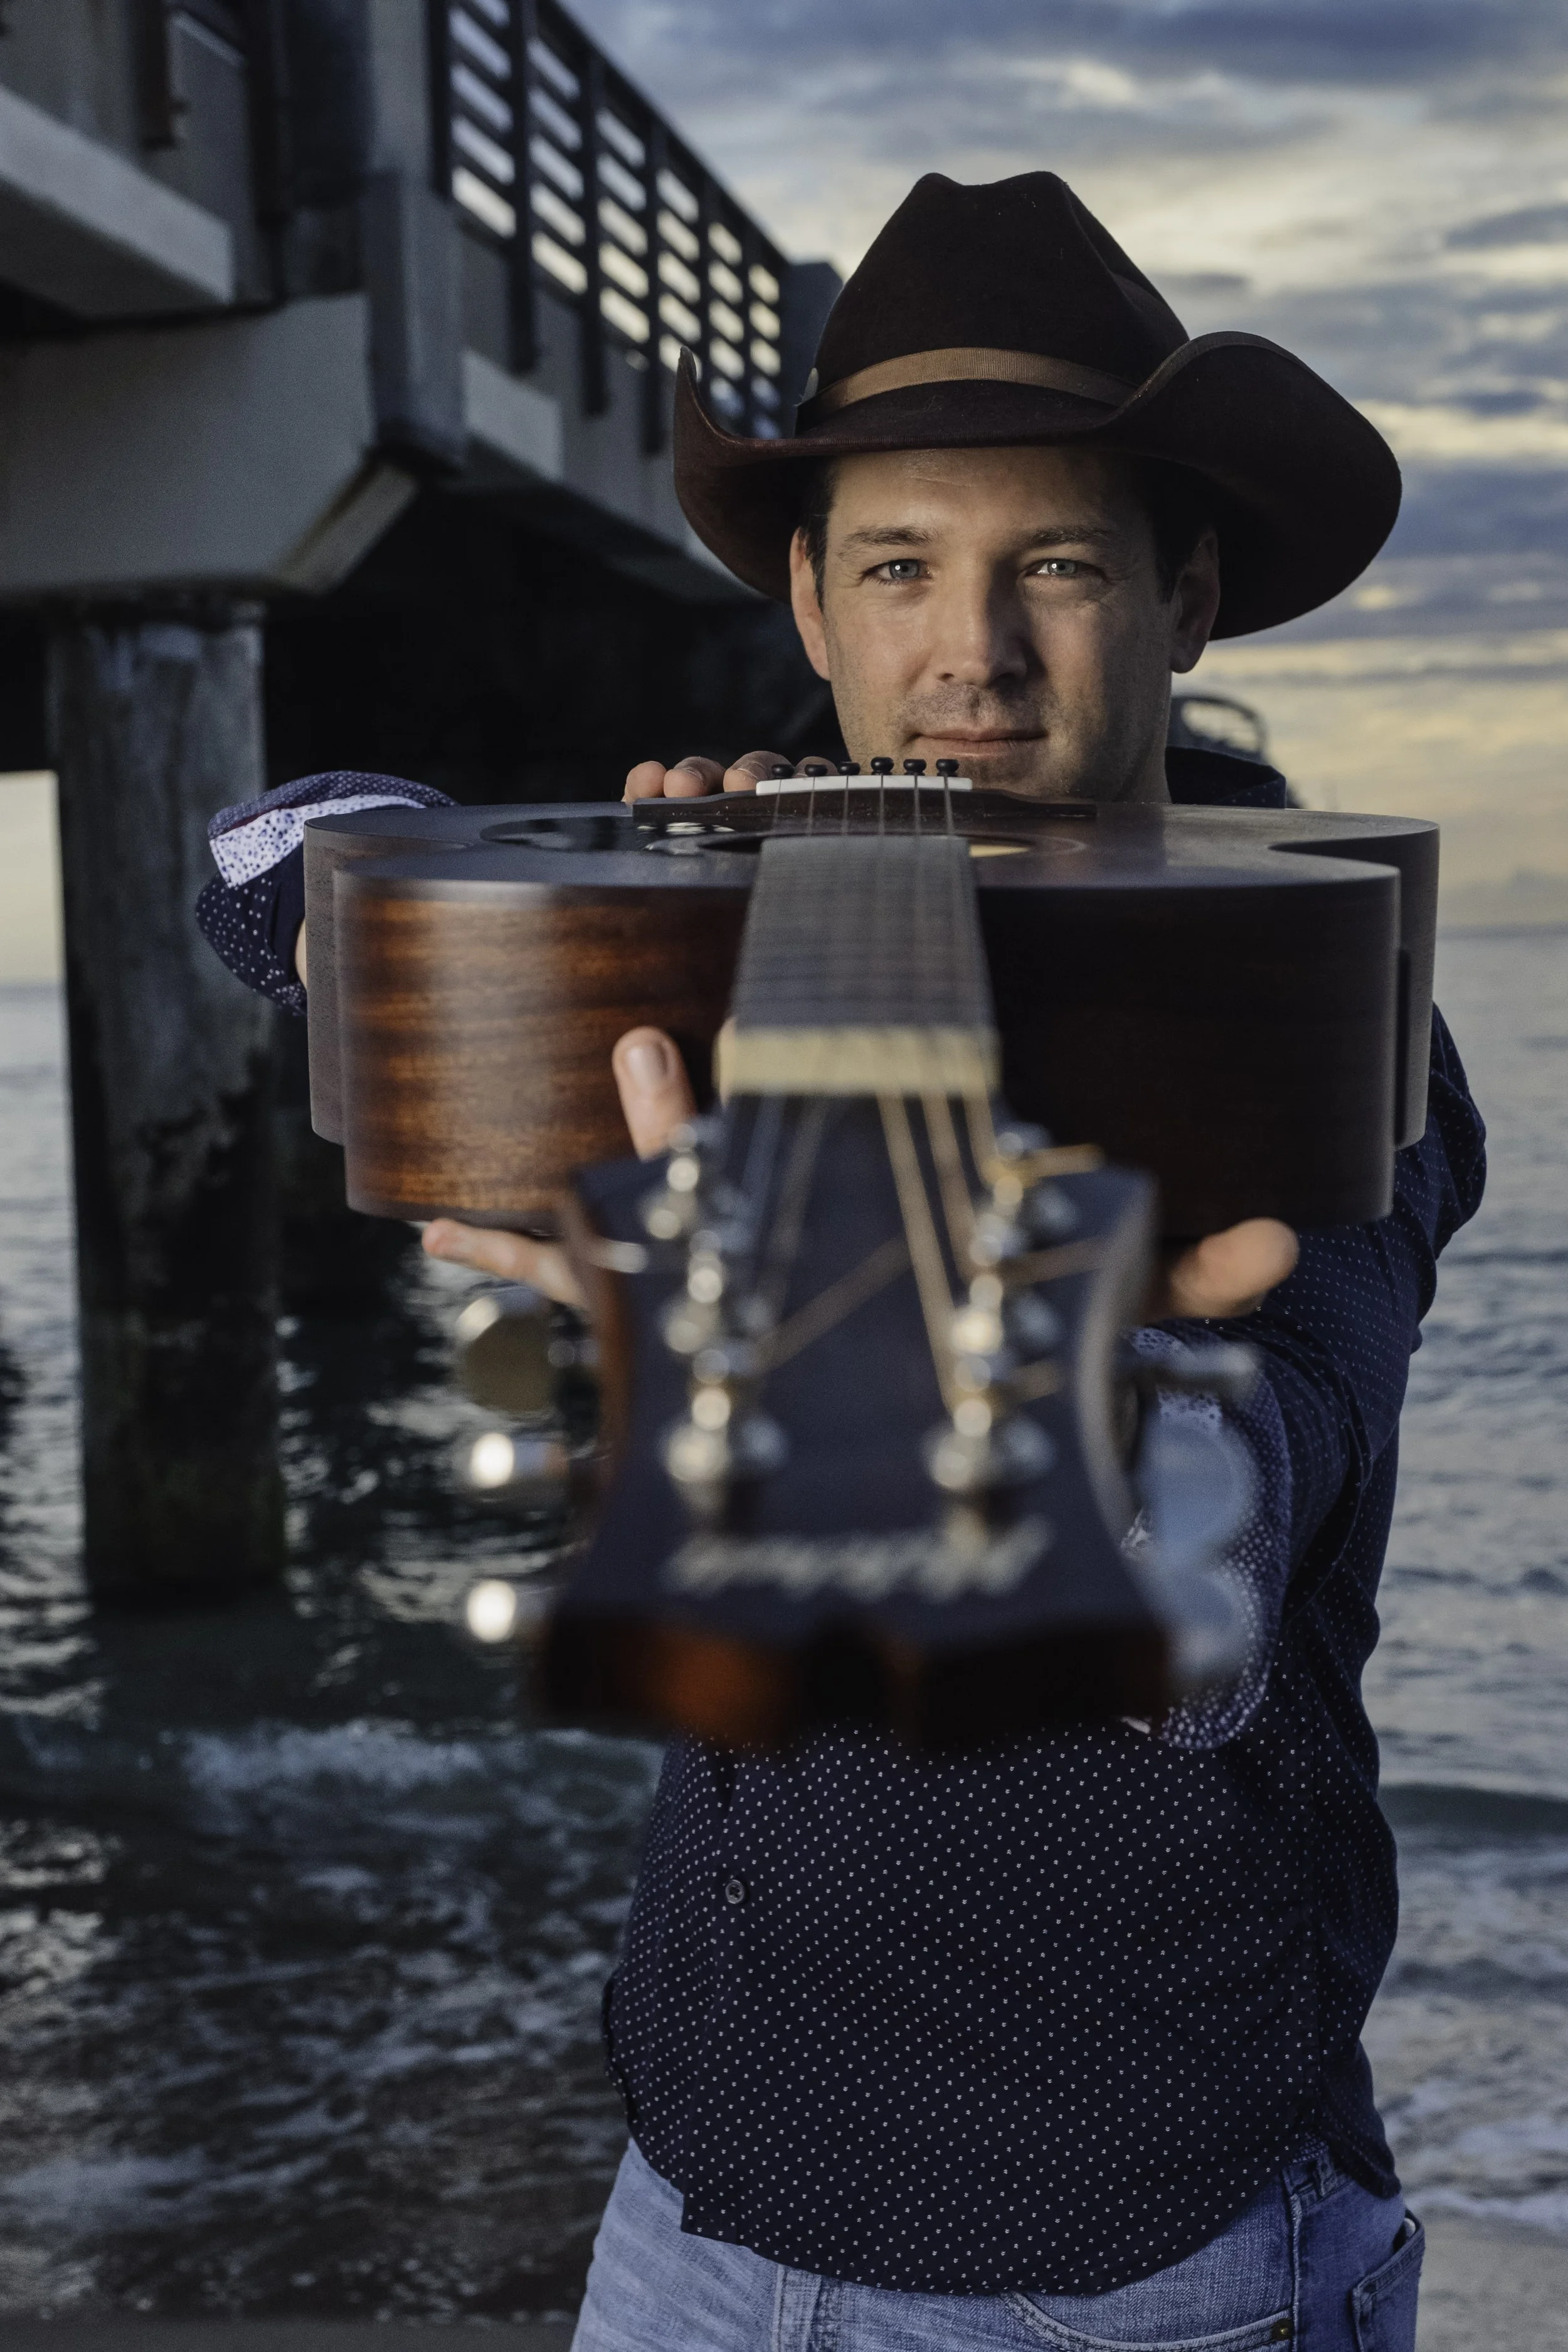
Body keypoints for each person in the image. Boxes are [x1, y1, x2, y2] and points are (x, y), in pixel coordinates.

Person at [198, 173, 1485, 2351]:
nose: (966, 657)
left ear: (1184, 599)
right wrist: (493, 899)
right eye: (900, 567)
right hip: (703, 2212)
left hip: (1135, 2256)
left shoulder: (1313, 1004)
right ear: (809, 602)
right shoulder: (741, 918)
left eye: (1053, 567)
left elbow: (1202, 1585)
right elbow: (251, 856)